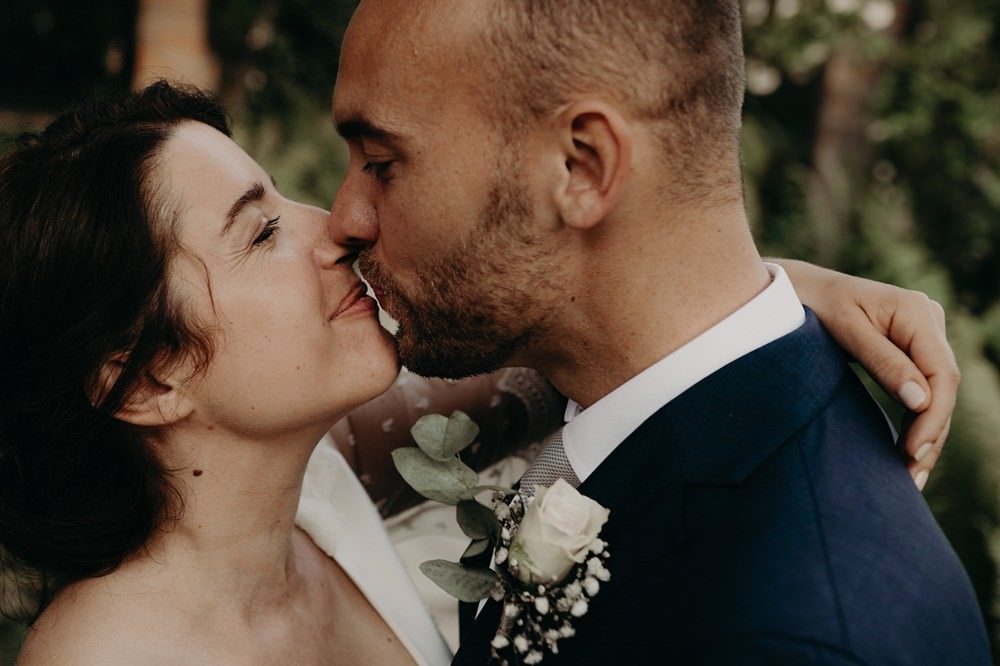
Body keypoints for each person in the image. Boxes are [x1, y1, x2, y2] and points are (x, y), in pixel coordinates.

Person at [0, 84, 963, 663]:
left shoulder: (324, 482)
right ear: (145, 381)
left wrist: (784, 289)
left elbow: (573, 343)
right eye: (259, 232)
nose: (336, 227)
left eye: (285, 200)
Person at [329, 1, 989, 664]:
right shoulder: (631, 411)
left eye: (382, 162)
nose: (343, 219)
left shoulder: (793, 637)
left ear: (582, 166)